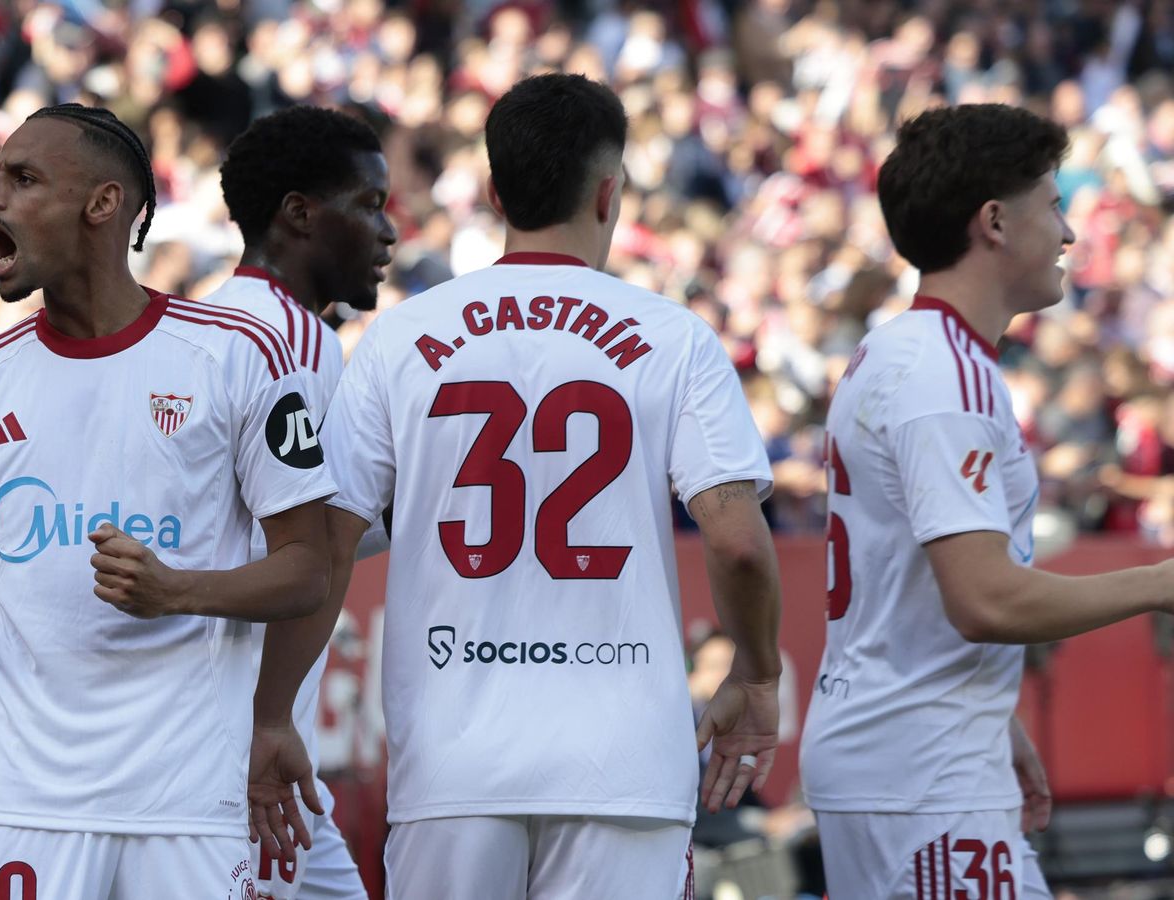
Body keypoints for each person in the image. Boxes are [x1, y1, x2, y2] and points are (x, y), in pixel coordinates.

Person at [252, 73, 784, 899]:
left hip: (454, 767)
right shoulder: (674, 338)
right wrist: (755, 675)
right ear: (608, 192)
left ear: (496, 193)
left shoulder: (399, 339)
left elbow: (325, 548)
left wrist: (273, 713)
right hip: (624, 768)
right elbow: (740, 544)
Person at [0, 102, 336, 899]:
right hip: (11, 803)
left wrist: (177, 590)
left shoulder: (238, 357)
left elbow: (309, 567)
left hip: (187, 806)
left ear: (104, 204)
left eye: (22, 177)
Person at [798, 103, 1174, 899]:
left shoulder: (901, 350)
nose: (1068, 233)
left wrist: (993, 716)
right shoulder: (944, 372)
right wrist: (1158, 582)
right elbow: (985, 599)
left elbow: (910, 585)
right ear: (996, 222)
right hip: (921, 771)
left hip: (911, 754)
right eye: (1054, 205)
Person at [204, 104, 395, 900]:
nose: (389, 233)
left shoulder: (225, 322)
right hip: (240, 741)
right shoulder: (291, 341)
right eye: (370, 205)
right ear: (300, 214)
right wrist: (269, 720)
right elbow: (308, 550)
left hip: (257, 737)